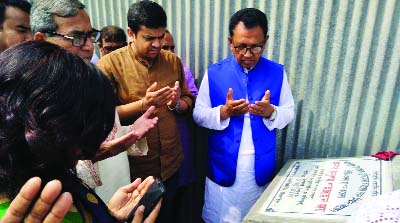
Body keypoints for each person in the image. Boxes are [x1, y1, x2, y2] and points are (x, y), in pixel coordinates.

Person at [0, 41, 161, 222]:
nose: (81, 156)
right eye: (80, 144)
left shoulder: (49, 175)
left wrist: (107, 215)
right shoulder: (24, 212)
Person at [30, 0, 158, 202]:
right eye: (77, 37)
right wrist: (94, 154)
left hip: (117, 190)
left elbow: (110, 136)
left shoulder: (95, 83)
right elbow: (40, 168)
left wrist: (131, 131)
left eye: (90, 35)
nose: (90, 47)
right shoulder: (30, 98)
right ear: (41, 40)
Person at [193, 8, 295, 222]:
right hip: (222, 167)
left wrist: (272, 112)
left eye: (256, 47)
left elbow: (289, 112)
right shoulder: (214, 73)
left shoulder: (277, 72)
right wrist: (224, 112)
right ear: (230, 41)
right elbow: (199, 115)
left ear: (265, 41)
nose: (248, 55)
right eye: (241, 47)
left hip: (259, 168)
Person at [97, 1, 194, 221]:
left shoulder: (172, 61)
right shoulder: (109, 66)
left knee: (170, 215)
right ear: (131, 33)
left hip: (171, 163)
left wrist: (176, 103)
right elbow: (104, 116)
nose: (158, 44)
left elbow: (189, 100)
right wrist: (143, 104)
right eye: (150, 38)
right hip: (135, 173)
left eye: (161, 37)